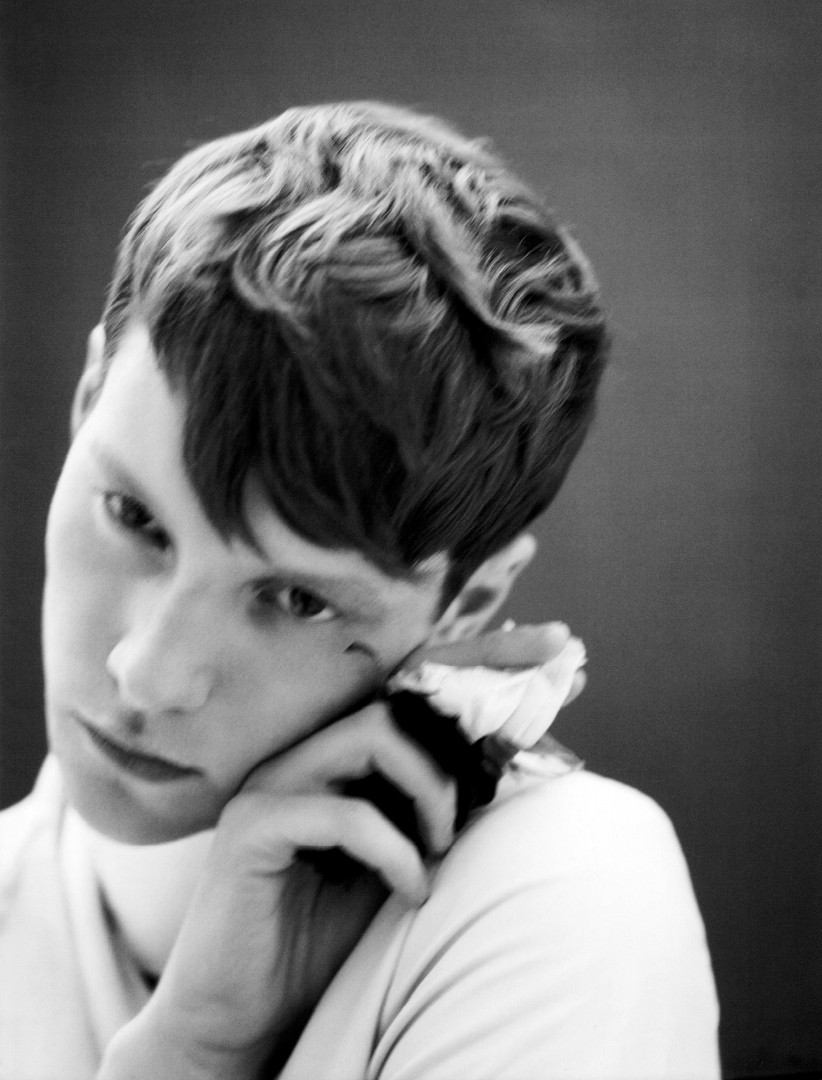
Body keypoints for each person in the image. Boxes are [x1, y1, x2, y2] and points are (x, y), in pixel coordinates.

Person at [0, 101, 720, 1079]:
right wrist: (191, 1050)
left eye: (300, 600)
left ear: (469, 603)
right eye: (134, 517)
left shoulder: (561, 890)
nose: (148, 673)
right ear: (87, 403)